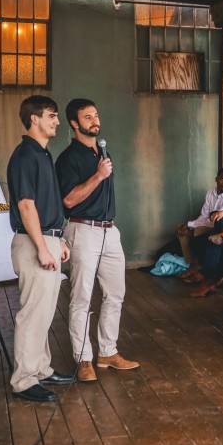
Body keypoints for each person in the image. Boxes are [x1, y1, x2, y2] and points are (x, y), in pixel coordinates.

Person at [55, 98, 138, 383]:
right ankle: (84, 360)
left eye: (96, 114)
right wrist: (98, 176)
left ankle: (107, 352)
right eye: (87, 117)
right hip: (83, 231)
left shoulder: (102, 152)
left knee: (115, 294)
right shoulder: (68, 159)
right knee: (81, 299)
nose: (94, 120)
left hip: (109, 231)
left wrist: (101, 170)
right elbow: (68, 200)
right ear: (74, 124)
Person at [6, 95, 74, 403]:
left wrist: (57, 240)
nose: (57, 121)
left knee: (45, 313)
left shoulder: (43, 154)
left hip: (47, 238)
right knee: (33, 314)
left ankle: (42, 369)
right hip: (34, 242)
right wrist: (42, 248)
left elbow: (47, 205)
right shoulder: (25, 156)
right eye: (51, 115)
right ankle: (23, 380)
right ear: (34, 119)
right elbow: (26, 205)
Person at [176, 168, 223, 282]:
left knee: (196, 231)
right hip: (208, 223)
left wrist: (191, 224)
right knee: (182, 230)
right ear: (216, 179)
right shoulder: (211, 192)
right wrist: (189, 225)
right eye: (222, 179)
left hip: (219, 228)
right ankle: (193, 265)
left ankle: (200, 270)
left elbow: (216, 219)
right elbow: (204, 215)